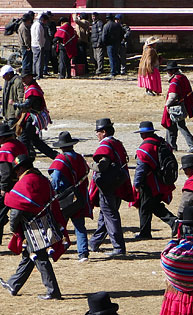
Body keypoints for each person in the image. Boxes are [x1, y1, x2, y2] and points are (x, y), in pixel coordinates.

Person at [0, 154, 65, 300]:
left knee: (40, 258)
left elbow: (16, 210)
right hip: (46, 222)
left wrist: (13, 228)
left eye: (17, 170)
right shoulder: (42, 179)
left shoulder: (24, 183)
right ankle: (13, 284)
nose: (16, 174)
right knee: (28, 256)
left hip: (33, 227)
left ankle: (53, 291)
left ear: (22, 168)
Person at [88, 117, 132, 257]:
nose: (97, 134)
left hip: (108, 187)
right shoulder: (117, 143)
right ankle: (94, 243)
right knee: (105, 216)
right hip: (118, 184)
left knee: (110, 216)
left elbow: (101, 166)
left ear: (104, 132)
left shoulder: (105, 145)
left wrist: (88, 165)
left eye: (98, 131)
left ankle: (118, 248)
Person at [48, 131, 91, 262]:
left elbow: (55, 178)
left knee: (58, 225)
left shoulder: (60, 160)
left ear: (61, 146)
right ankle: (83, 253)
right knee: (79, 226)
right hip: (78, 197)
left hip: (64, 198)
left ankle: (54, 249)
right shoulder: (79, 158)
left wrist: (54, 192)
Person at [132, 121, 177, 240]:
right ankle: (174, 222)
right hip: (162, 180)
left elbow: (141, 168)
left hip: (150, 183)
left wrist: (137, 183)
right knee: (155, 206)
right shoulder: (163, 143)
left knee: (145, 207)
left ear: (142, 134)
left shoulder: (145, 147)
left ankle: (145, 233)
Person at [13, 72, 55, 160]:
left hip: (31, 118)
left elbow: (27, 105)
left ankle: (25, 159)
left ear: (30, 77)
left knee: (24, 139)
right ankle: (55, 155)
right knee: (36, 141)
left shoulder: (33, 89)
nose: (23, 80)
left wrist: (15, 104)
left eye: (24, 78)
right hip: (30, 117)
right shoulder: (31, 87)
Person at [162, 61, 193, 153]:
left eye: (169, 71)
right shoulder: (182, 77)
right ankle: (171, 145)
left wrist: (167, 105)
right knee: (171, 126)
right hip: (182, 105)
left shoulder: (175, 81)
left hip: (176, 107)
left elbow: (173, 96)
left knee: (181, 126)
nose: (168, 73)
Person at [0, 123, 29, 244]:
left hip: (10, 186)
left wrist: (3, 188)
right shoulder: (20, 145)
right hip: (22, 183)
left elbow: (5, 172)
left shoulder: (5, 149)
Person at [30, 13, 46, 79]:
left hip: (33, 44)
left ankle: (34, 73)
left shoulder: (33, 25)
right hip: (38, 45)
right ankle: (39, 74)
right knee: (39, 61)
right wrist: (40, 45)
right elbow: (38, 36)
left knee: (35, 60)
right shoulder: (38, 25)